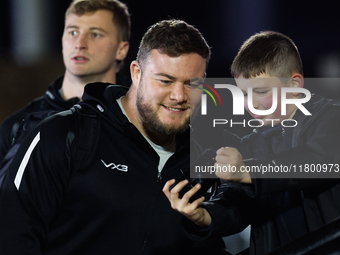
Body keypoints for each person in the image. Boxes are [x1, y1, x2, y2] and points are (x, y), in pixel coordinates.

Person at [0, 19, 229, 254]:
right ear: (136, 73)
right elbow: (12, 232)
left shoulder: (202, 156)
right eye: (165, 81)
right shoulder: (64, 134)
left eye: (192, 84)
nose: (179, 96)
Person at [163, 31, 340, 255]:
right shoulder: (252, 144)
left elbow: (317, 160)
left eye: (261, 91)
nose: (251, 104)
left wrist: (249, 171)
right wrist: (203, 216)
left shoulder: (333, 119)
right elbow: (237, 204)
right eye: (245, 95)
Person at [0, 0, 131, 165]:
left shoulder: (145, 122)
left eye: (95, 34)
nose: (80, 44)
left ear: (121, 49)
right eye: (73, 32)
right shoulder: (16, 128)